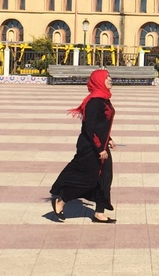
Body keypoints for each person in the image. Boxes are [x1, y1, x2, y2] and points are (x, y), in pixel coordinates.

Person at [50, 69, 117, 223]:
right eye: (106, 78)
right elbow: (90, 128)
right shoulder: (94, 101)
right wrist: (100, 148)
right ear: (99, 81)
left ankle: (99, 213)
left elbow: (101, 124)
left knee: (105, 178)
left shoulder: (103, 98)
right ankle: (61, 201)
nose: (110, 79)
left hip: (100, 143)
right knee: (87, 178)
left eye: (109, 77)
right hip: (90, 146)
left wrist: (109, 139)